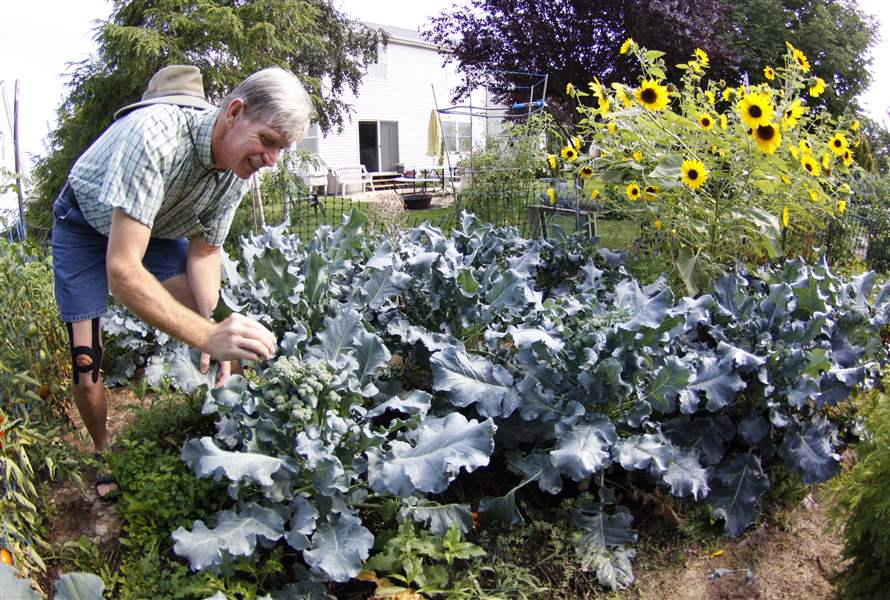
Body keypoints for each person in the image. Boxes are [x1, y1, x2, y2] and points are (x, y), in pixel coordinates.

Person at [51, 64, 313, 497]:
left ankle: (226, 423)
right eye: (267, 141)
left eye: (280, 149)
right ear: (235, 111)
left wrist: (215, 328)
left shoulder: (236, 172)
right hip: (83, 223)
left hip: (154, 227)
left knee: (216, 329)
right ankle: (102, 451)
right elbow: (123, 272)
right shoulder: (155, 137)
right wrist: (207, 335)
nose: (271, 160)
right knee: (86, 363)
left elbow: (205, 251)